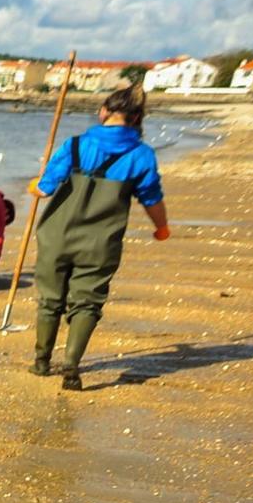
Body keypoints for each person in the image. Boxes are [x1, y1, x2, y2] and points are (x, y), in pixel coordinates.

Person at [29, 84, 170, 390]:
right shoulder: (142, 155)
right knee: (87, 303)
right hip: (101, 241)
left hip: (57, 235)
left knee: (50, 300)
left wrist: (34, 186)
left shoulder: (76, 144)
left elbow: (45, 189)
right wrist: (162, 228)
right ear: (136, 118)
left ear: (104, 111)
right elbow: (151, 199)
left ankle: (41, 363)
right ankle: (71, 364)